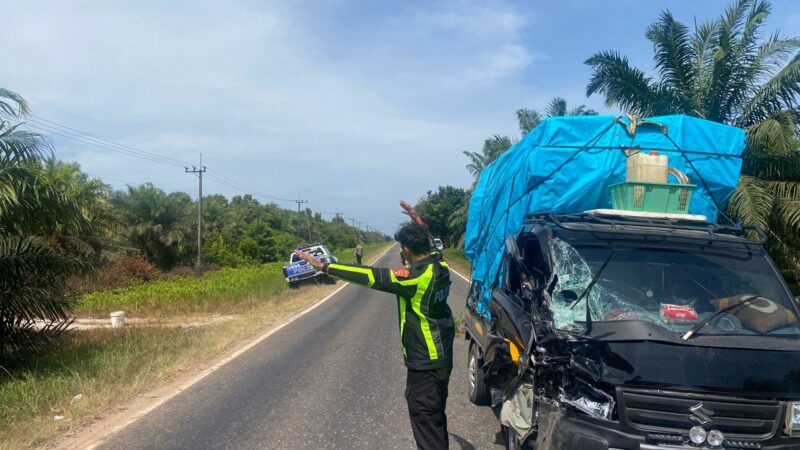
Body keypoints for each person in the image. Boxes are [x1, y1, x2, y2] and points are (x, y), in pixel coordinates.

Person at [295, 200, 454, 450]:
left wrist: (325, 266)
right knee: (435, 418)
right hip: (443, 358)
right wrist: (417, 220)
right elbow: (431, 242)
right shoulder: (441, 265)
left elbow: (370, 276)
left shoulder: (413, 278)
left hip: (424, 363)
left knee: (426, 423)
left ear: (406, 251)